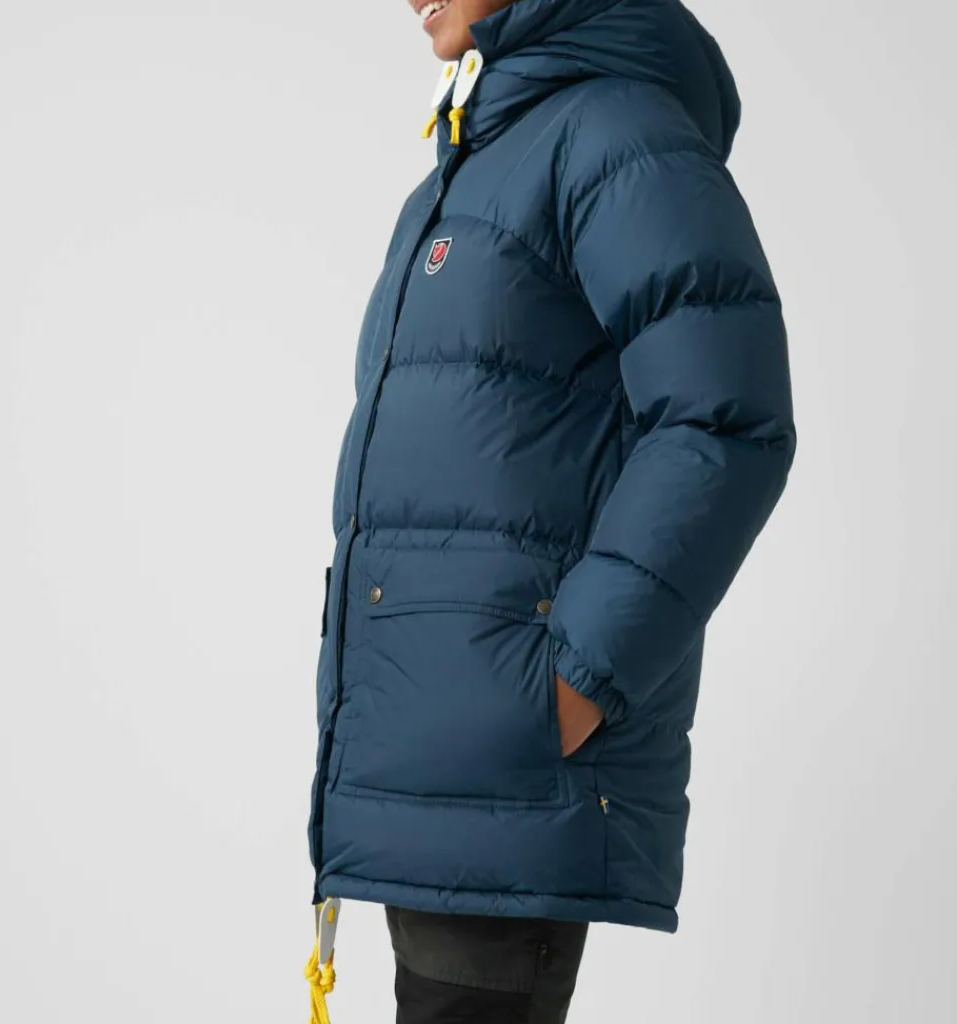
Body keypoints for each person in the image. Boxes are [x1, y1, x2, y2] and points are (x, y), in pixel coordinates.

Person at [305, 0, 796, 1020]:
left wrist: (578, 679)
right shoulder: (471, 166)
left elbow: (723, 419)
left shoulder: (618, 135)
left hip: (509, 765)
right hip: (426, 761)